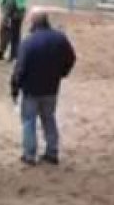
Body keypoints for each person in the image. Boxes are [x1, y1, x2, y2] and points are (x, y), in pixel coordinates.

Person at [10, 10, 76, 166]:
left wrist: (14, 87)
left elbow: (20, 68)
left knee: (28, 121)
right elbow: (71, 58)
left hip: (31, 89)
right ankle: (52, 151)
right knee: (49, 118)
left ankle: (29, 154)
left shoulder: (28, 42)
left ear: (33, 22)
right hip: (51, 87)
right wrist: (62, 73)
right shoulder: (60, 38)